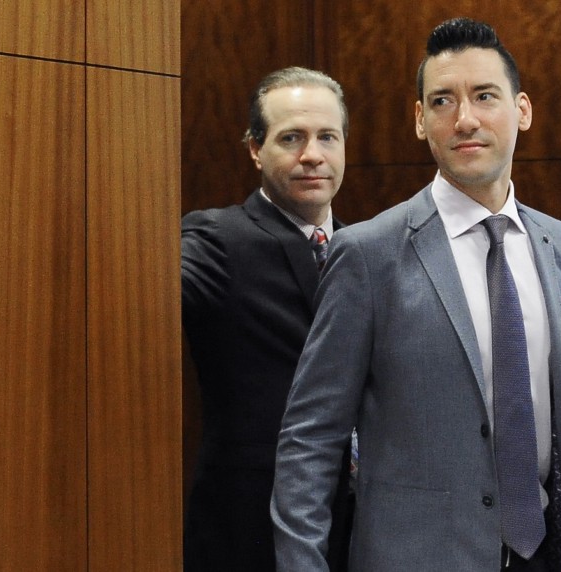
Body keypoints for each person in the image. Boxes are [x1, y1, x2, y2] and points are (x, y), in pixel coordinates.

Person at [271, 18, 561, 572]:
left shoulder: (559, 244)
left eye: (484, 96)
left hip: (541, 552)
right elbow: (310, 440)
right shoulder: (367, 254)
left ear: (522, 111)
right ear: (421, 121)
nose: (465, 118)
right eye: (442, 101)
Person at [182, 66, 353, 572]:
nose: (313, 155)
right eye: (291, 138)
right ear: (255, 148)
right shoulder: (217, 240)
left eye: (328, 137)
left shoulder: (366, 249)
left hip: (360, 526)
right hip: (249, 529)